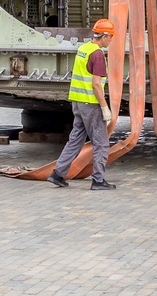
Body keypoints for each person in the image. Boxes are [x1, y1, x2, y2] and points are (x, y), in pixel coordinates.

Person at [48, 19, 116, 190]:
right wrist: (104, 107)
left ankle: (58, 174)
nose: (112, 40)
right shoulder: (98, 54)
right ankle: (98, 180)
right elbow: (95, 84)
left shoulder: (83, 49)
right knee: (101, 143)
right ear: (105, 36)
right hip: (91, 104)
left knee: (75, 140)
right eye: (111, 36)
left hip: (78, 103)